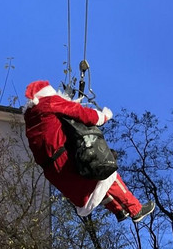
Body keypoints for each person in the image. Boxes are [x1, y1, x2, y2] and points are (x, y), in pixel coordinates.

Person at [23, 80, 155, 222]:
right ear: (47, 92)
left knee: (92, 188)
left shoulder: (31, 118)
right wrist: (102, 116)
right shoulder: (49, 102)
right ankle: (136, 210)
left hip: (53, 171)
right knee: (107, 174)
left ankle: (118, 210)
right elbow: (78, 112)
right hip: (65, 160)